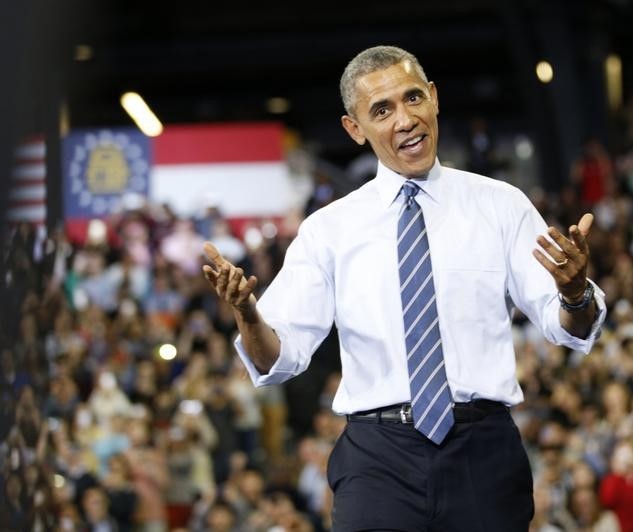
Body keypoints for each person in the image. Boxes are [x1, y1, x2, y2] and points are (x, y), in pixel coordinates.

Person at [203, 45, 606, 531]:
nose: (405, 119)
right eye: (381, 110)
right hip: (378, 461)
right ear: (355, 128)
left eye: (413, 98)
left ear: (434, 98)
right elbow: (276, 358)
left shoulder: (501, 206)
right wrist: (248, 315)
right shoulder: (328, 229)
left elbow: (570, 327)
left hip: (481, 454)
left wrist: (575, 293)